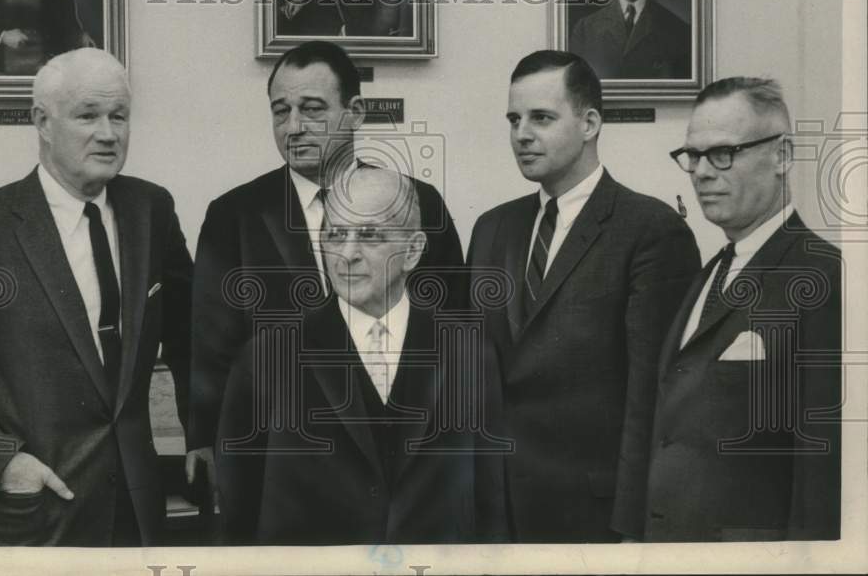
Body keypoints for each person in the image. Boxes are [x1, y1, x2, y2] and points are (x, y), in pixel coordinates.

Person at [0, 48, 192, 546]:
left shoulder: (152, 209)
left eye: (119, 116)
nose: (108, 133)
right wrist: (2, 461)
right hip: (25, 517)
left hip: (134, 517)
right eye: (87, 116)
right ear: (43, 122)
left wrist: (202, 436)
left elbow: (189, 338)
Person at [186, 40, 464, 510]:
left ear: (355, 112)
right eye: (280, 111)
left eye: (312, 109)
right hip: (286, 463)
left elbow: (452, 325)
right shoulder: (235, 214)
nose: (293, 127)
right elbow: (212, 342)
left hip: (404, 456)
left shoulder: (419, 201)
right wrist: (203, 438)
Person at [466, 50, 700, 542]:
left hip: (594, 519)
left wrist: (635, 528)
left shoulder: (650, 230)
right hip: (492, 515)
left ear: (590, 122)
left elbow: (653, 396)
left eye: (541, 118)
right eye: (514, 119)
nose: (521, 134)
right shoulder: (492, 228)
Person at [216, 168, 498, 544]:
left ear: (413, 250)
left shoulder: (470, 352)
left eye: (369, 235)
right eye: (335, 234)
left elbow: (492, 506)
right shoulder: (265, 358)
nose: (346, 254)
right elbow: (238, 517)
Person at [645, 77, 841, 541]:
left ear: (782, 156)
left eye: (723, 153)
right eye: (692, 156)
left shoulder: (825, 278)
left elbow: (824, 475)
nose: (702, 172)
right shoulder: (710, 271)